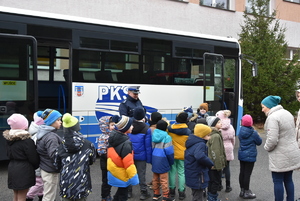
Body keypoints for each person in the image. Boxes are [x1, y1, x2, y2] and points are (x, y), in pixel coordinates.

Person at [261, 95, 300, 201]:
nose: (262, 109)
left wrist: (266, 147)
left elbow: (272, 140)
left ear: (269, 106)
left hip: (279, 155)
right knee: (288, 179)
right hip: (292, 152)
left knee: (277, 181)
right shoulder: (287, 113)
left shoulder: (273, 117)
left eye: (263, 106)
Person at [54, 113, 96, 201]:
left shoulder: (61, 146)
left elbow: (57, 165)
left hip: (66, 185)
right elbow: (92, 161)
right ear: (77, 127)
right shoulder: (88, 144)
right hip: (82, 184)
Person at [3, 113, 40, 201]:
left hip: (12, 167)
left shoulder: (9, 139)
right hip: (24, 169)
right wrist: (36, 166)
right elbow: (33, 158)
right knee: (22, 196)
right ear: (24, 125)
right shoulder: (27, 141)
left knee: (16, 194)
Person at [107, 115, 139, 201]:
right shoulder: (126, 143)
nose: (132, 126)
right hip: (123, 174)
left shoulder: (112, 137)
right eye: (130, 125)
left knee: (120, 193)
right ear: (125, 128)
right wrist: (134, 178)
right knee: (123, 196)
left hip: (115, 171)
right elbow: (129, 164)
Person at [36, 109, 63, 201]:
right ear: (51, 122)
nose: (61, 122)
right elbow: (54, 155)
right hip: (50, 169)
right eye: (58, 120)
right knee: (49, 196)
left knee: (48, 194)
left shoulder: (43, 132)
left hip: (44, 167)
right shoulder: (51, 137)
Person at [185, 124, 214, 201]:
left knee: (196, 194)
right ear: (202, 135)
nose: (209, 137)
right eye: (208, 135)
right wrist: (210, 164)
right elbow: (200, 156)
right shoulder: (201, 144)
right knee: (198, 197)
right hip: (198, 175)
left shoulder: (192, 142)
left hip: (192, 173)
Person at [128, 107, 152, 200]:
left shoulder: (129, 126)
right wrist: (149, 159)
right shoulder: (146, 128)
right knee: (141, 175)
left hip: (130, 154)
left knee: (130, 173)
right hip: (141, 156)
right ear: (143, 116)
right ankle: (143, 192)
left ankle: (129, 192)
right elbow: (148, 146)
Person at [167, 112, 192, 200]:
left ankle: (172, 191)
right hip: (183, 154)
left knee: (172, 172)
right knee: (181, 173)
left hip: (172, 153)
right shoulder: (188, 131)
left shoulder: (169, 129)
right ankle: (181, 192)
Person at [238, 114, 262, 199]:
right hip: (250, 155)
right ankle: (247, 192)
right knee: (247, 173)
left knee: (242, 172)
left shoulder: (241, 130)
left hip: (242, 154)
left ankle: (242, 190)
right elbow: (259, 142)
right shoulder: (253, 132)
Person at [151, 120, 175, 201]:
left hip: (155, 158)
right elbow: (169, 151)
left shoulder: (154, 134)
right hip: (163, 159)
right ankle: (165, 195)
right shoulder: (167, 137)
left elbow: (152, 147)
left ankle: (156, 194)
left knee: (155, 178)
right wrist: (171, 161)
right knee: (164, 179)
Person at [206, 116, 226, 201]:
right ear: (213, 125)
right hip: (214, 164)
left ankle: (210, 197)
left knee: (211, 181)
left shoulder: (213, 134)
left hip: (211, 163)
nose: (221, 123)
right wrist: (218, 165)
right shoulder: (215, 136)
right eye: (218, 122)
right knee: (216, 182)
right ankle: (212, 198)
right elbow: (215, 152)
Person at [26, 112, 45, 201]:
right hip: (39, 162)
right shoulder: (38, 135)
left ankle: (41, 194)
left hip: (38, 162)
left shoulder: (35, 131)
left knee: (40, 181)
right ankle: (29, 196)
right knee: (39, 183)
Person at [215, 110, 235, 192]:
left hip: (220, 147)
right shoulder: (230, 126)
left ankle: (219, 185)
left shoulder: (218, 127)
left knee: (219, 167)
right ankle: (228, 186)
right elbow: (233, 139)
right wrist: (232, 147)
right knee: (227, 167)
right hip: (229, 146)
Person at [97, 116, 115, 201]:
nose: (114, 126)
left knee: (110, 180)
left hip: (111, 162)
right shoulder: (103, 137)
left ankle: (108, 194)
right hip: (105, 163)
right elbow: (101, 152)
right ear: (105, 127)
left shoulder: (113, 135)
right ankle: (104, 196)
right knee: (105, 181)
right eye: (112, 125)